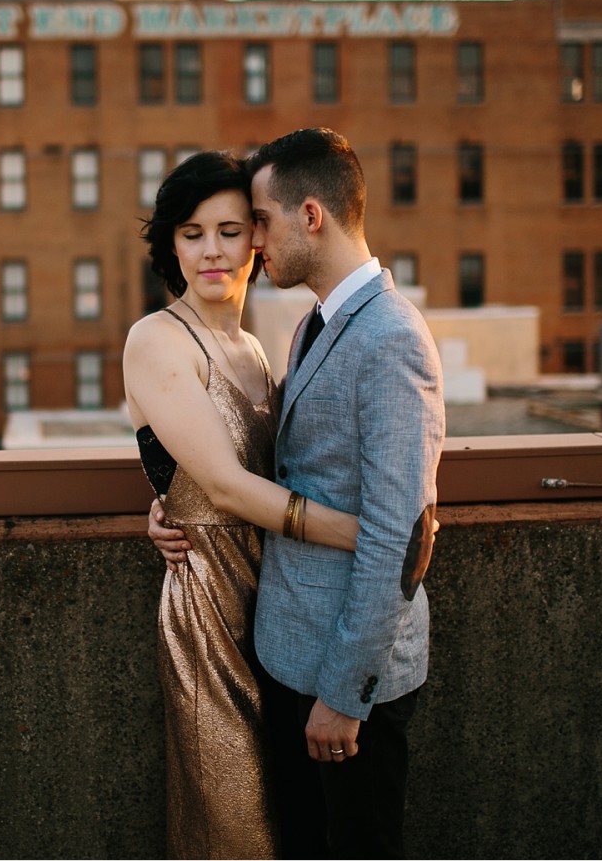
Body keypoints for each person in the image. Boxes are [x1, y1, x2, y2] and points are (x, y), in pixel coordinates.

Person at [149, 128, 445, 858]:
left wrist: (346, 694)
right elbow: (260, 466)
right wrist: (172, 499)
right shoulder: (312, 323)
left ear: (310, 215)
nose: (251, 240)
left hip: (344, 684)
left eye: (258, 221)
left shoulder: (391, 338)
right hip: (285, 653)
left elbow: (397, 532)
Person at [123, 150, 366, 859]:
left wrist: (167, 498)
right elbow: (225, 485)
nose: (212, 250)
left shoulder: (254, 350)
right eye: (192, 232)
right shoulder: (156, 337)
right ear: (171, 242)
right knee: (234, 827)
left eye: (230, 230)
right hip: (208, 614)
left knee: (291, 819)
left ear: (257, 240)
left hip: (276, 607)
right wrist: (360, 534)